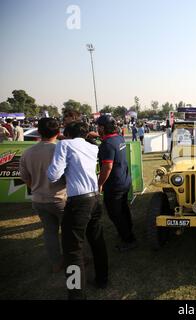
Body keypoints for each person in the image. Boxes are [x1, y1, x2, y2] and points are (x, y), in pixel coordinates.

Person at [47, 121, 108, 299]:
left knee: (72, 250)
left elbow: (53, 175)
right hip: (95, 198)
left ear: (67, 134)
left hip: (79, 202)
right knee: (97, 241)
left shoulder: (64, 144)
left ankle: (76, 295)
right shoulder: (92, 147)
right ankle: (102, 279)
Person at [19, 118, 67, 273]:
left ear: (38, 132)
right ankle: (74, 259)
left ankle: (56, 263)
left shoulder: (27, 152)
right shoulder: (61, 150)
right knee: (69, 230)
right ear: (58, 132)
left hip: (39, 199)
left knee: (49, 232)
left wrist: (37, 187)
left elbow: (25, 178)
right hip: (60, 199)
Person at [96, 115, 137, 252]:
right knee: (123, 209)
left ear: (102, 127)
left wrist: (99, 183)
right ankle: (128, 230)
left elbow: (107, 167)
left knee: (115, 214)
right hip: (124, 181)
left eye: (98, 127)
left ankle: (128, 240)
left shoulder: (106, 145)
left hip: (114, 185)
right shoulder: (119, 138)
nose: (97, 129)